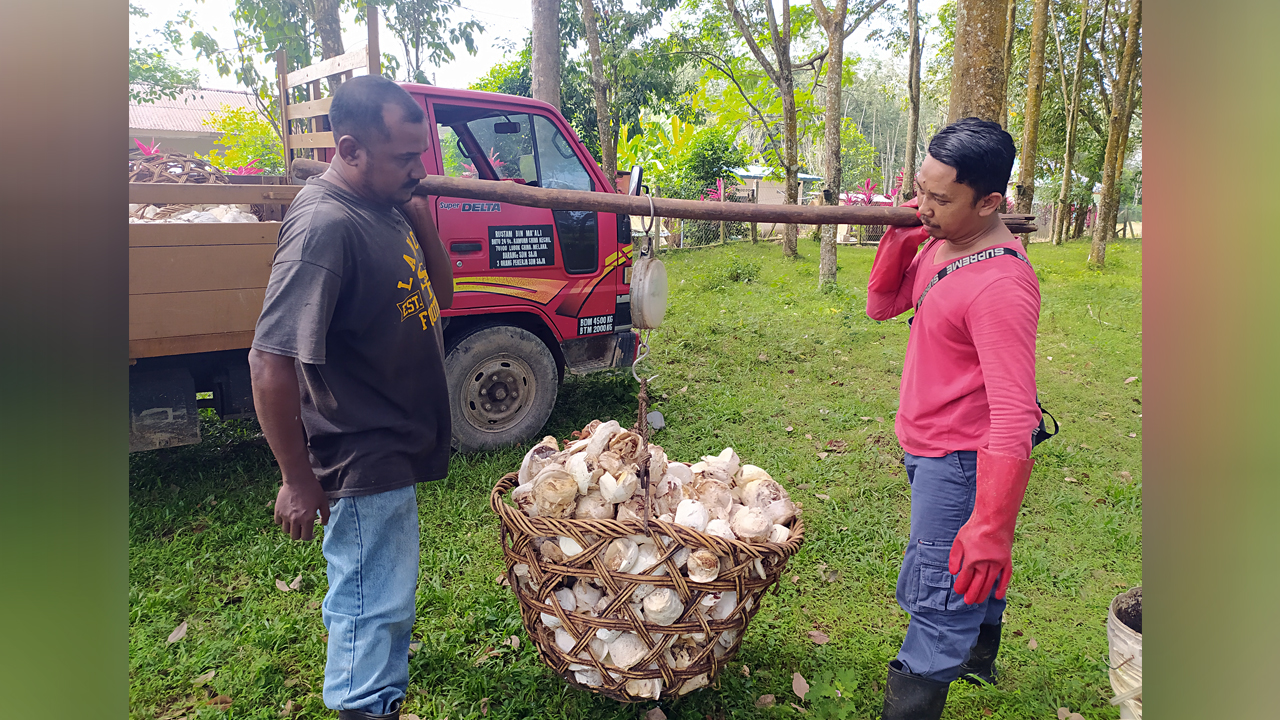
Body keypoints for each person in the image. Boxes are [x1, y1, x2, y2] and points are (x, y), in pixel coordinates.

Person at [249, 74, 454, 720]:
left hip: (395, 441)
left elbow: (443, 295)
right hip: (361, 451)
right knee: (370, 602)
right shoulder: (323, 228)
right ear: (349, 149)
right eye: (403, 158)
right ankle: (367, 708)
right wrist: (297, 480)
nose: (416, 169)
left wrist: (418, 212)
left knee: (384, 594)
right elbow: (268, 360)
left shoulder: (385, 203)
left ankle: (378, 699)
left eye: (420, 156)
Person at [865, 117, 1041, 720]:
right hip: (928, 444)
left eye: (940, 199)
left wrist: (991, 523)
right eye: (920, 190)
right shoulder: (941, 244)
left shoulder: (1000, 286)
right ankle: (978, 655)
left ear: (990, 201)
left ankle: (929, 682)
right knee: (958, 574)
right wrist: (899, 237)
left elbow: (1016, 414)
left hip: (962, 461)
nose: (925, 206)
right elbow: (883, 306)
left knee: (940, 594)